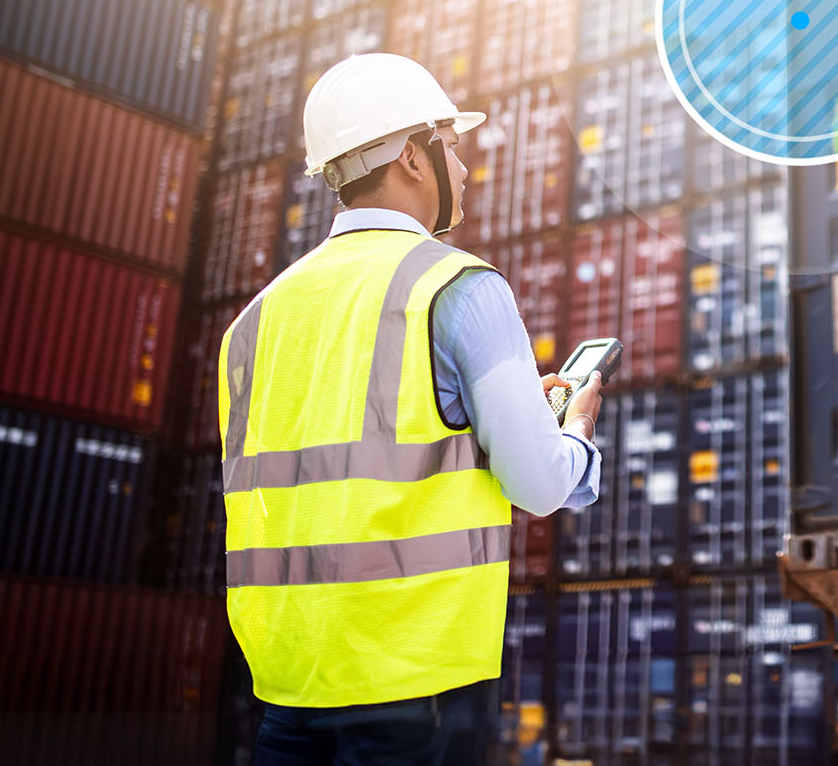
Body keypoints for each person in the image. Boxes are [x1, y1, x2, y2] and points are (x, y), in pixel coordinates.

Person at [218, 52, 605, 766]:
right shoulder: (458, 287)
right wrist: (576, 432)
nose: (463, 171)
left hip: (287, 686)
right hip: (418, 683)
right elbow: (540, 484)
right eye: (451, 148)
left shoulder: (250, 325)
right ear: (411, 157)